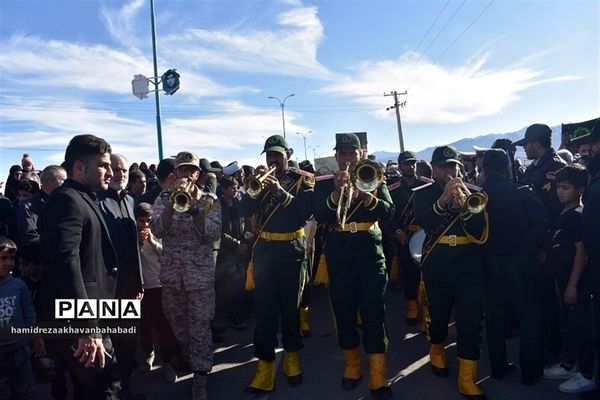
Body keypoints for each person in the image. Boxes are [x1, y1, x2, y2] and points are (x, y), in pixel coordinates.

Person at [312, 133, 395, 399]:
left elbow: (389, 212)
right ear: (336, 157)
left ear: (361, 155)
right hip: (339, 257)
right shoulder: (325, 184)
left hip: (370, 256)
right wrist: (337, 193)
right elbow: (318, 213)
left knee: (374, 314)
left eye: (352, 153)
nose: (348, 158)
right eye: (343, 154)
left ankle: (379, 375)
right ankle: (352, 365)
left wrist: (365, 196)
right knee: (344, 313)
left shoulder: (374, 177)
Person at [37, 134, 119, 399]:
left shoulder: (83, 197)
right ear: (79, 167)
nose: (110, 171)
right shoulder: (68, 200)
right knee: (105, 389)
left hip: (90, 315)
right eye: (103, 165)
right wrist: (87, 327)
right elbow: (66, 263)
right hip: (79, 321)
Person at [238, 135, 314, 395]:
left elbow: (303, 214)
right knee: (265, 312)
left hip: (291, 251)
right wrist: (255, 187)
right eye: (269, 156)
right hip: (265, 253)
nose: (272, 160)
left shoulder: (302, 180)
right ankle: (265, 366)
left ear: (288, 155)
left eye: (277, 155)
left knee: (290, 310)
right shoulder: (259, 181)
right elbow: (243, 210)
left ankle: (292, 357)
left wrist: (280, 192)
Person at [413, 145, 489, 399]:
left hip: (469, 265)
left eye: (454, 166)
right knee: (438, 316)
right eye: (445, 166)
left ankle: (467, 378)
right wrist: (444, 200)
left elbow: (480, 230)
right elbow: (425, 222)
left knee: (470, 321)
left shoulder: (476, 193)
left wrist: (465, 207)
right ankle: (437, 351)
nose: (451, 170)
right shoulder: (423, 193)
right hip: (439, 264)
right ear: (434, 169)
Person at [150, 151, 221, 400]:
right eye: (182, 170)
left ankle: (201, 377)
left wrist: (194, 211)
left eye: (191, 170)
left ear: (198, 174)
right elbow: (157, 231)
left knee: (200, 328)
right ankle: (192, 360)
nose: (186, 174)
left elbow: (212, 234)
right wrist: (172, 204)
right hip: (172, 276)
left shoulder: (209, 200)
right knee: (179, 326)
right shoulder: (163, 197)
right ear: (175, 173)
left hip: (199, 277)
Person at [481, 149, 547, 384]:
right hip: (522, 262)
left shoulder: (478, 195)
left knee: (495, 317)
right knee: (528, 315)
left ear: (484, 169)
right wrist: (528, 249)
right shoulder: (522, 191)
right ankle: (530, 371)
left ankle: (498, 367)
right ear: (508, 167)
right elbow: (541, 226)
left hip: (490, 263)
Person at [514, 123, 567, 364]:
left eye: (526, 143)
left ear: (537, 143)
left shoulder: (555, 169)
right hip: (533, 243)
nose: (524, 148)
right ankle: (547, 342)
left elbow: (552, 212)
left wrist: (543, 246)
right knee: (540, 297)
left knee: (550, 299)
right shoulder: (535, 168)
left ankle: (555, 347)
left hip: (548, 245)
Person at [542, 165, 596, 393]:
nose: (560, 192)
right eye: (558, 187)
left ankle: (586, 374)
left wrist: (573, 285)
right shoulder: (565, 213)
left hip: (577, 284)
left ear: (580, 189)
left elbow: (581, 253)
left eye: (566, 188)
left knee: (581, 328)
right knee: (568, 325)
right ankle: (568, 364)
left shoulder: (576, 217)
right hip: (563, 280)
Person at [97, 154, 144, 400]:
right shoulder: (95, 201)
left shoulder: (130, 200)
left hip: (130, 287)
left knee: (127, 347)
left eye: (124, 170)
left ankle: (127, 391)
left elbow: (134, 247)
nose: (120, 174)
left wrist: (140, 282)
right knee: (107, 349)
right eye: (116, 169)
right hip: (106, 291)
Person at [134, 202, 179, 373]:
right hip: (142, 288)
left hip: (160, 284)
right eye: (141, 220)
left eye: (148, 220)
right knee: (144, 325)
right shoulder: (130, 235)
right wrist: (137, 244)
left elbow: (168, 254)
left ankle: (167, 361)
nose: (144, 224)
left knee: (164, 325)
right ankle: (148, 352)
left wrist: (152, 241)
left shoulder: (158, 233)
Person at [0, 236, 39, 400]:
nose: (10, 262)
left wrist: (36, 337)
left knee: (25, 393)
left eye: (12, 258)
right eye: (3, 258)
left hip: (20, 352)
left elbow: (29, 312)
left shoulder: (18, 285)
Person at [389, 150, 422, 326]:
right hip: (405, 235)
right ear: (400, 167)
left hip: (425, 234)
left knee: (427, 273)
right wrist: (398, 231)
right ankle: (411, 305)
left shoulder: (425, 184)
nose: (411, 166)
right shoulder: (393, 189)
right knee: (408, 272)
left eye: (413, 163)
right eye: (407, 164)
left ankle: (427, 305)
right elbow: (390, 215)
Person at [16, 165, 66, 246]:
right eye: (64, 180)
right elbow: (30, 238)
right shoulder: (27, 206)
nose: (66, 184)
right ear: (52, 181)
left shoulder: (66, 202)